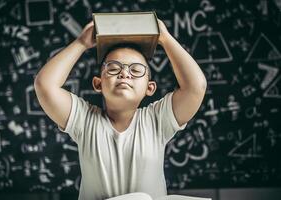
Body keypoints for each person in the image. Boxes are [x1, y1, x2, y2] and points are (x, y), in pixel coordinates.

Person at [34, 18, 207, 200]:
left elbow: (196, 87)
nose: (124, 73)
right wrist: (81, 43)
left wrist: (165, 38)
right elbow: (45, 85)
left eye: (136, 70)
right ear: (98, 84)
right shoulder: (84, 120)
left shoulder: (157, 120)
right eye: (114, 68)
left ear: (150, 88)